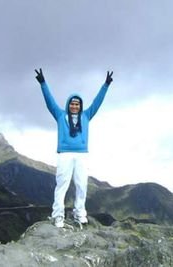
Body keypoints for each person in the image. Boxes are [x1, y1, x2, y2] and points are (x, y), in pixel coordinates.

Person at [35, 68, 113, 227]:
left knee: (81, 184)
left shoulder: (86, 115)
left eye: (77, 104)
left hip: (82, 155)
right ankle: (57, 216)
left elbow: (97, 102)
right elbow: (50, 101)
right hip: (64, 154)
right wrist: (43, 83)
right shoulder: (60, 114)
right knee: (62, 184)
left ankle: (79, 214)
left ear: (80, 105)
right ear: (68, 104)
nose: (75, 106)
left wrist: (106, 85)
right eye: (72, 103)